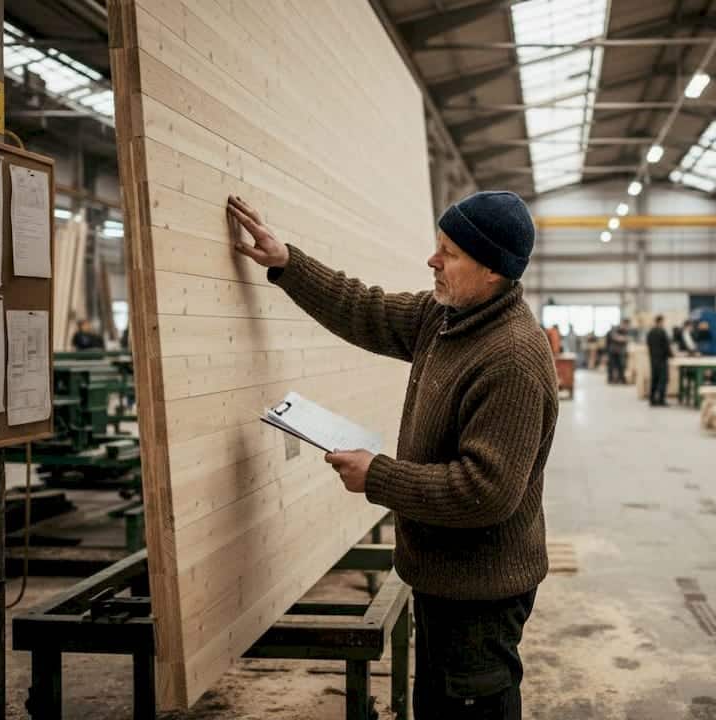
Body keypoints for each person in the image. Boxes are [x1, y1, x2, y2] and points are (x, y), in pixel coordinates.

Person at [228, 192, 556, 720]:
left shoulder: (511, 358)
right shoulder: (445, 317)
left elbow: (486, 493)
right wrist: (289, 263)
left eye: (447, 252)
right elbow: (366, 309)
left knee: (471, 707)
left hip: (480, 595)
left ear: (492, 270)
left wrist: (377, 477)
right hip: (440, 576)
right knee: (438, 706)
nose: (432, 260)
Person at [646, 314, 672, 406]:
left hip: (653, 359)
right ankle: (661, 400)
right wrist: (671, 355)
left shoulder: (650, 332)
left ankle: (652, 399)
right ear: (660, 321)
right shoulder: (662, 332)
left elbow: (648, 344)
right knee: (663, 379)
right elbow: (666, 346)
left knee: (654, 379)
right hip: (662, 359)